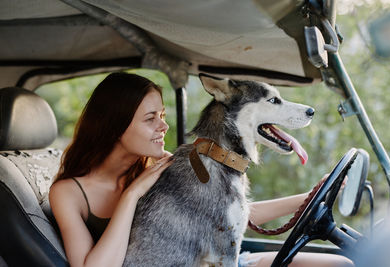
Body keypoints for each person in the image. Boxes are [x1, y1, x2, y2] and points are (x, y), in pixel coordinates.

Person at [50, 72, 353, 267]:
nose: (164, 126)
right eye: (150, 118)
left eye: (163, 115)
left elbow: (225, 215)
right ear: (113, 124)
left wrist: (312, 196)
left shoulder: (163, 164)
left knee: (340, 265)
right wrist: (132, 195)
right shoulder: (69, 193)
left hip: (208, 260)